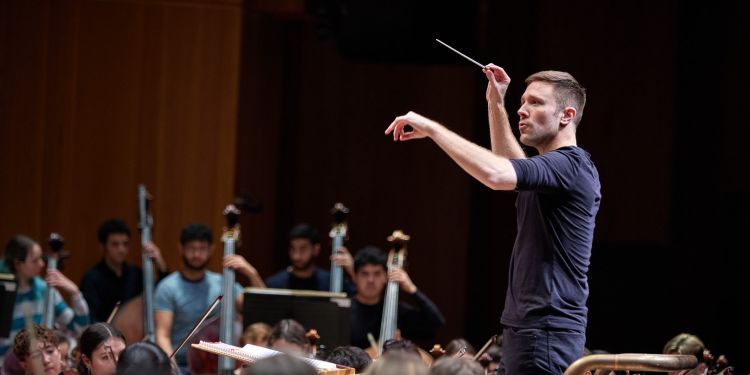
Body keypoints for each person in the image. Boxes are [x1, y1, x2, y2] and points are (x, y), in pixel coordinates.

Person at [385, 66, 600, 374]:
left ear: (566, 115)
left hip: (546, 332)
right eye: (522, 101)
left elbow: (497, 174)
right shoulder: (555, 170)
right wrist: (495, 103)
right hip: (530, 329)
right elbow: (509, 165)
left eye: (536, 103)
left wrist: (433, 128)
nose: (522, 110)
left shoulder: (570, 166)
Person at [153, 223, 246, 373]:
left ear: (211, 250)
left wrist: (251, 272)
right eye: (191, 248)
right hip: (182, 363)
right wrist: (173, 369)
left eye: (202, 249)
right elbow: (162, 335)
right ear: (181, 248)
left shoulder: (224, 283)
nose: (196, 254)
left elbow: (255, 305)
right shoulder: (167, 287)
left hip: (221, 360)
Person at [0, 235, 90, 363]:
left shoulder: (44, 290)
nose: (42, 264)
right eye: (35, 260)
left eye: (41, 258)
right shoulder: (4, 292)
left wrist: (75, 294)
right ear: (18, 264)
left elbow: (79, 328)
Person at [349, 246, 445, 349]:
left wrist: (412, 289)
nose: (371, 280)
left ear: (386, 276)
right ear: (355, 277)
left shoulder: (398, 311)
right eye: (364, 274)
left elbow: (436, 322)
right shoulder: (342, 310)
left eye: (377, 273)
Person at [81, 219, 170, 323]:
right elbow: (91, 319)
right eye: (115, 244)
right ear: (103, 247)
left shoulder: (135, 274)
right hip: (106, 337)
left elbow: (162, 292)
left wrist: (160, 263)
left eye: (125, 244)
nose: (121, 249)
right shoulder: (92, 279)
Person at [265, 223, 355, 293]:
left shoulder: (331, 282)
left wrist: (353, 270)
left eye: (303, 249)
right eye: (293, 249)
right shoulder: (274, 284)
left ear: (316, 249)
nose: (296, 256)